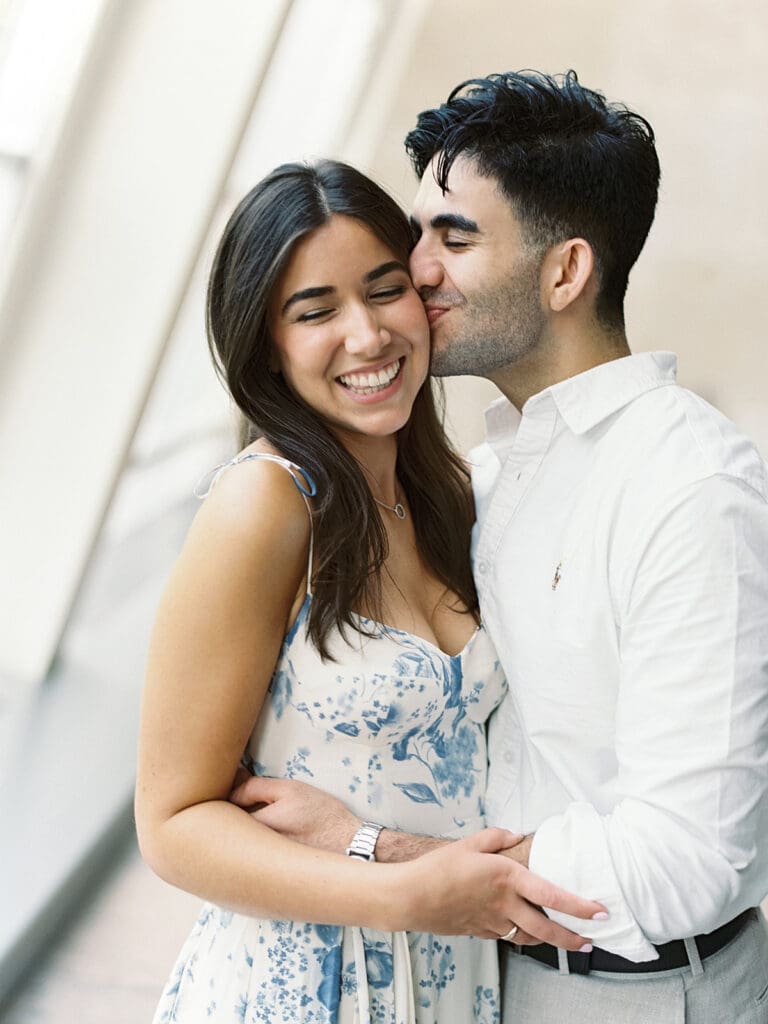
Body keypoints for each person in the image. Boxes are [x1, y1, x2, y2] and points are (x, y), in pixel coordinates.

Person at [231, 73, 768, 1023]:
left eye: (455, 237)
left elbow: (687, 859)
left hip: (640, 991)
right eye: (419, 230)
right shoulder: (483, 475)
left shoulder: (692, 490)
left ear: (565, 273)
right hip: (488, 980)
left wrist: (379, 852)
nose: (415, 268)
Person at [135, 158, 605, 1024]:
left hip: (454, 978)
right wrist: (403, 894)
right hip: (299, 987)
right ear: (267, 343)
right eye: (316, 312)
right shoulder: (266, 503)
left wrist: (380, 850)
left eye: (385, 291)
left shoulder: (450, 498)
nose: (367, 336)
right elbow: (172, 822)